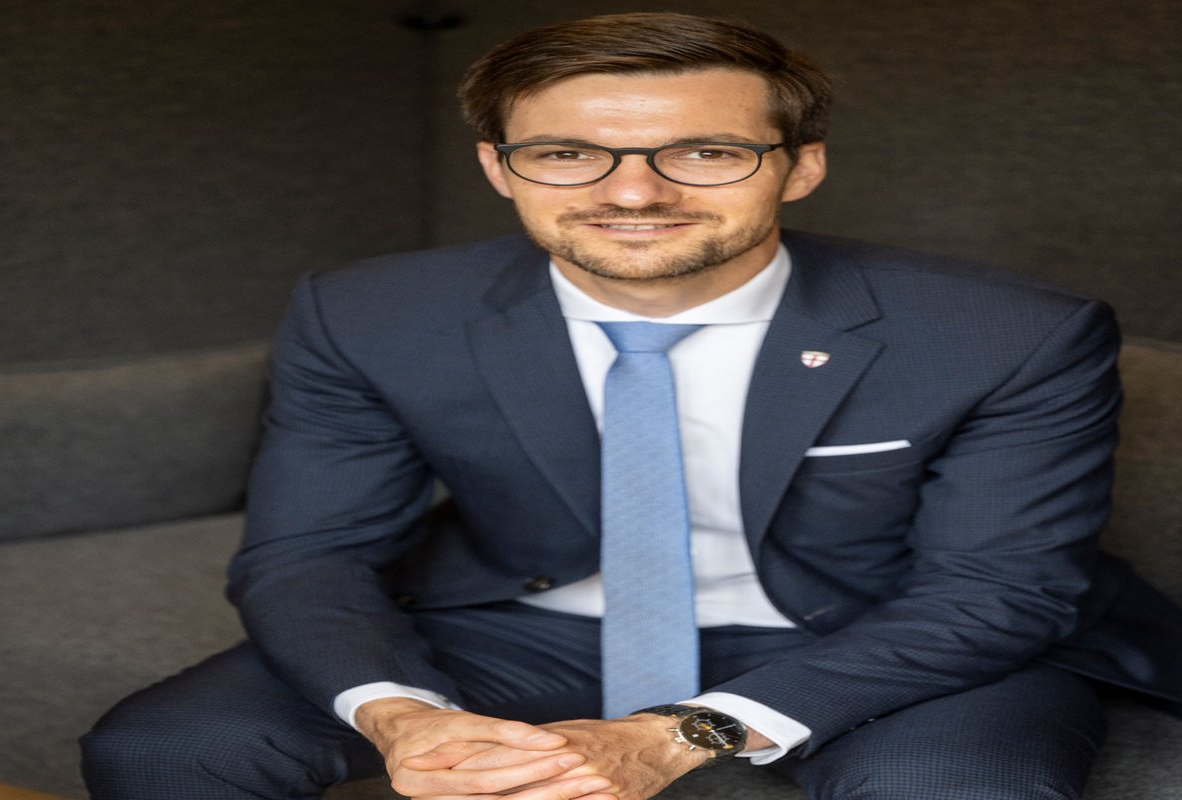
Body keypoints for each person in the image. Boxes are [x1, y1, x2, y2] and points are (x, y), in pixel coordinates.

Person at [82, 12, 1182, 800]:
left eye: (705, 151)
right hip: (521, 619)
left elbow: (998, 589)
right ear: (499, 168)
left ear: (799, 167)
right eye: (566, 153)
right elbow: (309, 552)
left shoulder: (1008, 332)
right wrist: (403, 713)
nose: (633, 191)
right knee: (167, 748)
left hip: (880, 630)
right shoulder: (368, 312)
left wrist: (675, 736)